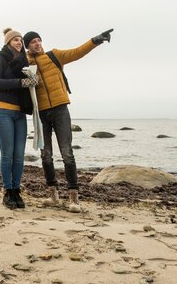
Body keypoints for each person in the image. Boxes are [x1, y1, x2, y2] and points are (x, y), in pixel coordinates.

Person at [23, 29, 113, 212]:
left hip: (60, 109)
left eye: (39, 40)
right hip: (40, 113)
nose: (38, 43)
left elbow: (77, 52)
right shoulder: (25, 64)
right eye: (33, 42)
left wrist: (95, 41)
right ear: (27, 46)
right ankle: (53, 195)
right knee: (46, 156)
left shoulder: (54, 55)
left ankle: (74, 198)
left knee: (67, 154)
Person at [0, 28, 39, 209]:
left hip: (19, 113)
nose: (19, 42)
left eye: (20, 40)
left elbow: (28, 87)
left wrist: (33, 81)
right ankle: (7, 191)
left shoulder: (25, 63)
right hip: (2, 111)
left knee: (19, 155)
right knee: (7, 154)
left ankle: (16, 190)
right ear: (8, 42)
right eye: (15, 40)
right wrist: (21, 83)